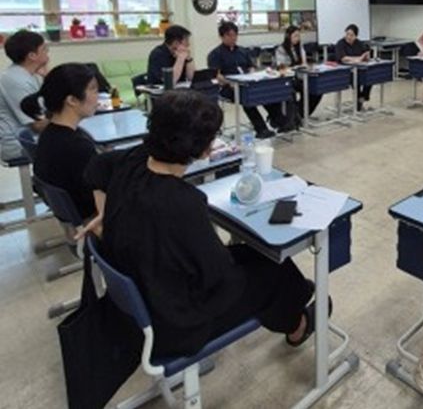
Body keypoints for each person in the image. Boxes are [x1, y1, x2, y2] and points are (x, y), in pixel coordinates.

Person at [81, 90, 322, 358]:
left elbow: (95, 167)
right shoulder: (183, 202)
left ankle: (295, 292)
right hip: (176, 323)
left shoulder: (133, 159)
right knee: (273, 271)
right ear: (205, 149)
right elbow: (221, 277)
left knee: (255, 256)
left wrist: (105, 213)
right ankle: (298, 324)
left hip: (146, 288)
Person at [32, 64, 99, 220]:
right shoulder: (77, 146)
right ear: (72, 100)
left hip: (74, 216)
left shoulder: (49, 134)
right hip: (93, 219)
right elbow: (96, 197)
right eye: (93, 89)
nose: (98, 96)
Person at [208, 21, 294, 139]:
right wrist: (230, 82)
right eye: (229, 35)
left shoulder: (242, 51)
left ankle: (280, 121)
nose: (233, 38)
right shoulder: (215, 54)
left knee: (264, 92)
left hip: (248, 83)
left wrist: (253, 75)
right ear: (222, 36)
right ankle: (261, 129)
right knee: (247, 97)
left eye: (235, 35)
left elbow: (251, 67)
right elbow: (217, 75)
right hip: (228, 87)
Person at [0, 30, 50, 161]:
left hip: (30, 136)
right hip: (19, 143)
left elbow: (46, 107)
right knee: (80, 146)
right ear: (32, 56)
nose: (47, 52)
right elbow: (37, 126)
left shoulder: (28, 74)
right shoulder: (17, 80)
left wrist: (48, 78)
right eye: (44, 49)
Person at [275, 25, 322, 120]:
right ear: (288, 36)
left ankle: (302, 114)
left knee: (317, 90)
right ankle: (296, 116)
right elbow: (281, 67)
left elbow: (304, 63)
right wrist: (293, 68)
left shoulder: (300, 47)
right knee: (293, 92)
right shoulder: (281, 49)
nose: (297, 38)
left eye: (298, 36)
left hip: (301, 76)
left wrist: (306, 66)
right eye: (295, 36)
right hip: (288, 78)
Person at [335, 24, 372, 111]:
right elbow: (343, 58)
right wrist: (358, 59)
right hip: (345, 71)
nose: (348, 37)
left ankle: (362, 98)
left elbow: (365, 55)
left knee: (370, 78)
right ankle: (359, 102)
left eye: (351, 35)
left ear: (356, 36)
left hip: (359, 68)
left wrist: (366, 56)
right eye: (347, 34)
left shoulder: (359, 43)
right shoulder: (340, 43)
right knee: (357, 80)